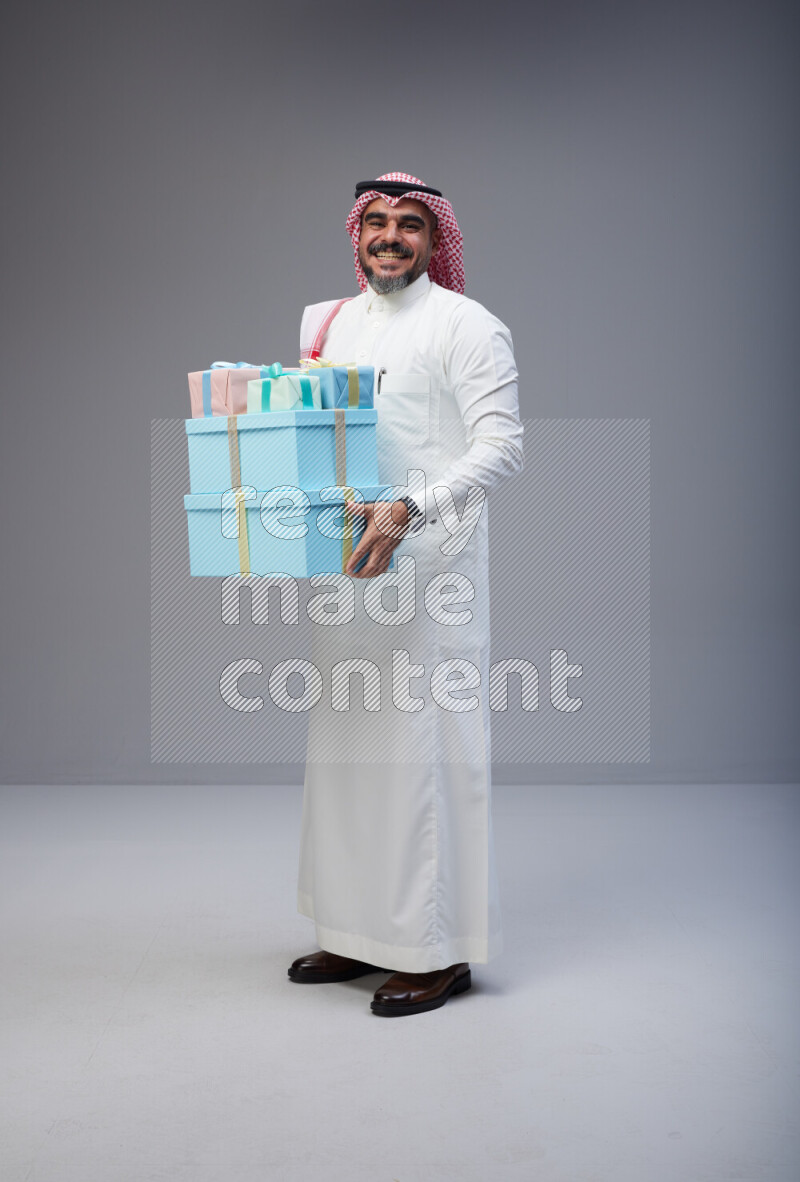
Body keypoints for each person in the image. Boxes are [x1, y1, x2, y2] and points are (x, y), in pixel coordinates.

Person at [288, 172, 524, 1016]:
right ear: (356, 233)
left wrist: (409, 511)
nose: (390, 236)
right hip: (346, 566)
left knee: (424, 755)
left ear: (436, 239)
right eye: (376, 222)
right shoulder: (328, 322)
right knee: (349, 749)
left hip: (432, 571)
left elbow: (503, 448)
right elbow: (309, 430)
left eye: (410, 224)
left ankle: (436, 949)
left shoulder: (467, 325)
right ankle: (357, 934)